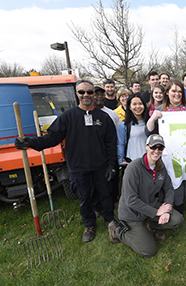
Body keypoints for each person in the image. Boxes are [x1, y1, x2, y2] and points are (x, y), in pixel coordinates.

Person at [15, 79, 117, 242]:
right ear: (77, 94)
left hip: (100, 165)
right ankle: (89, 224)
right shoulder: (67, 117)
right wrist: (30, 142)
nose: (86, 95)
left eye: (89, 92)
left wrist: (111, 165)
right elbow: (52, 138)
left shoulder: (104, 118)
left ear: (94, 94)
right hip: (78, 167)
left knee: (105, 195)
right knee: (84, 198)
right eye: (82, 92)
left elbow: (111, 144)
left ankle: (109, 219)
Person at [108, 134, 184, 258]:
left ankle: (151, 227)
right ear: (147, 147)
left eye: (160, 148)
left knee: (177, 219)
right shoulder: (133, 168)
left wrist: (167, 209)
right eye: (153, 147)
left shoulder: (160, 166)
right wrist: (156, 212)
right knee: (149, 251)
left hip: (150, 206)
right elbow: (130, 200)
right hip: (132, 213)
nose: (157, 151)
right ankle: (117, 230)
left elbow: (169, 188)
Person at [147, 80, 186, 223]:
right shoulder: (162, 111)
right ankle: (179, 208)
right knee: (176, 182)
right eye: (173, 91)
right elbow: (149, 131)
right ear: (167, 93)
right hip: (171, 154)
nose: (177, 94)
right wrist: (153, 117)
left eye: (179, 91)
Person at [117, 93, 151, 167]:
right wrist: (120, 160)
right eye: (134, 104)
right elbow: (120, 143)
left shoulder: (150, 122)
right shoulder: (124, 125)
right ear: (129, 106)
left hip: (150, 161)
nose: (138, 107)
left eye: (140, 104)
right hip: (132, 162)